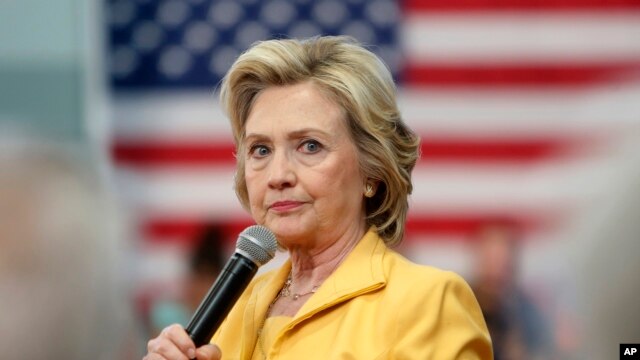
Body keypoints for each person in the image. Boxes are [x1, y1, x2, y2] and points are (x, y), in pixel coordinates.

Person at [144, 36, 492, 360]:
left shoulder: (428, 301)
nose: (278, 175)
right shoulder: (234, 307)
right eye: (260, 149)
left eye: (310, 146)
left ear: (372, 169)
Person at [470, 220, 553, 360]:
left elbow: (543, 347)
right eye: (492, 257)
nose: (497, 266)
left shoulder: (526, 309)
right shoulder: (464, 301)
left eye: (502, 258)